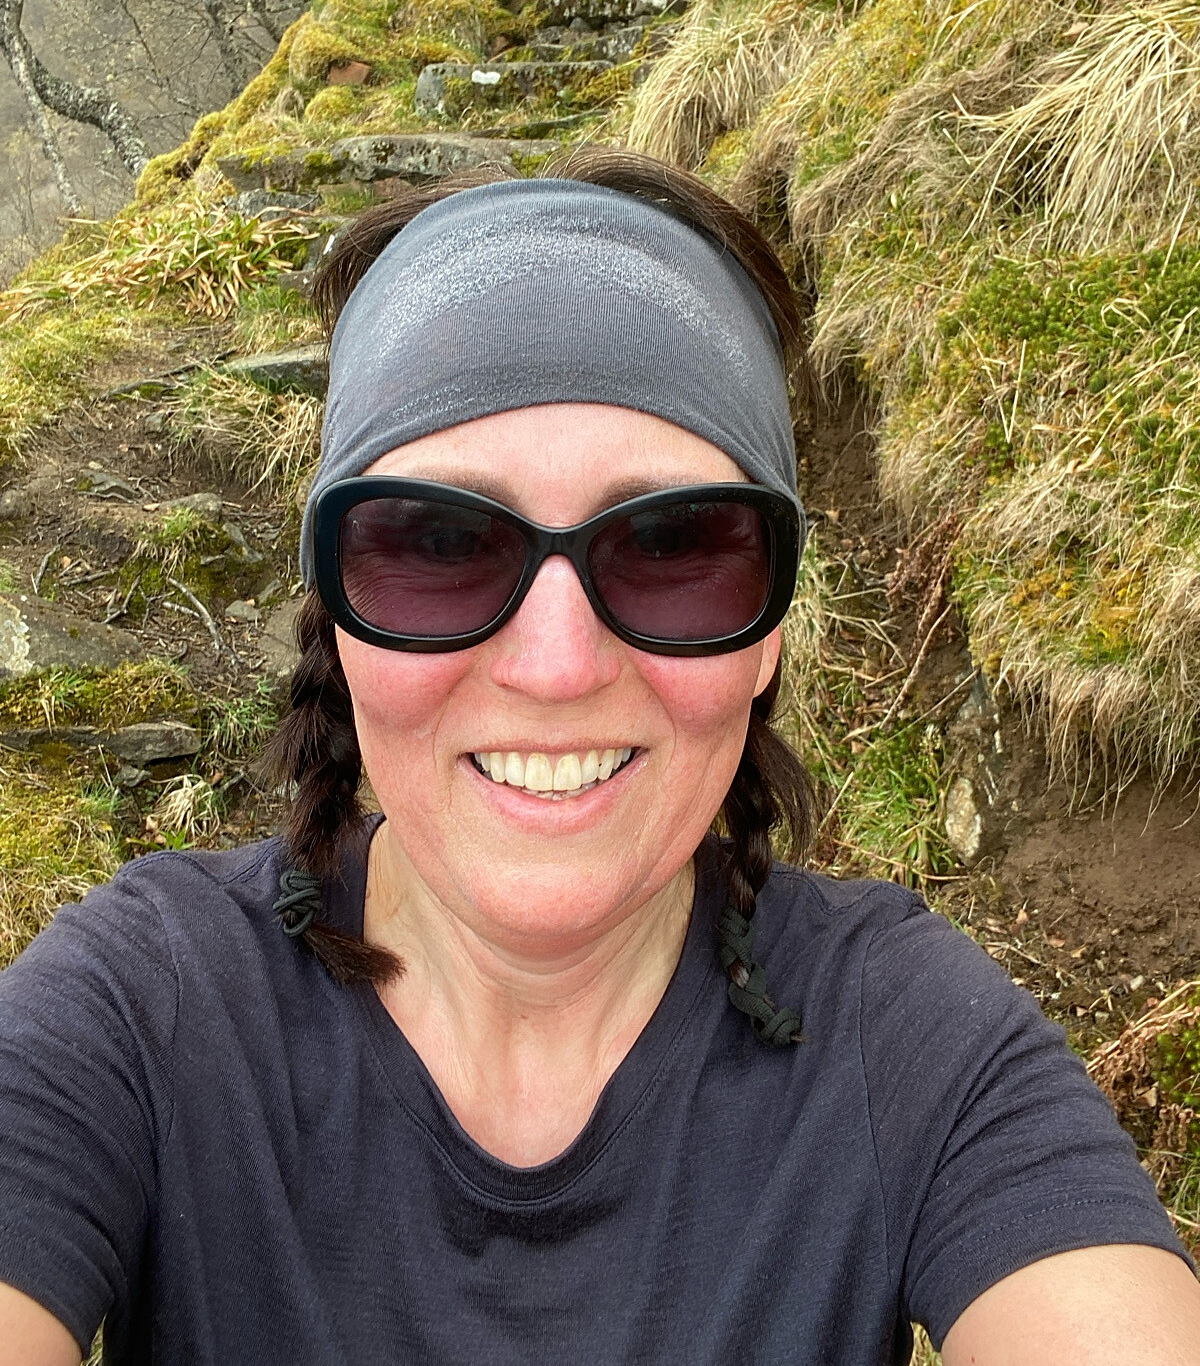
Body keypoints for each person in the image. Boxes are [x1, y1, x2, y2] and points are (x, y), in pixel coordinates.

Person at [0, 149, 1196, 1366]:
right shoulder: (142, 1007)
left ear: (769, 633)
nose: (558, 666)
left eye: (674, 545)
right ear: (337, 619)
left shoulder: (903, 1033)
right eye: (438, 544)